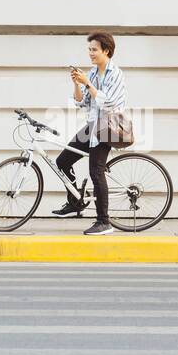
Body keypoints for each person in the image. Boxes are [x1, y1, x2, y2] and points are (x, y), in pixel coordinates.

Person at [53, 31, 128, 236]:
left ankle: (104, 222)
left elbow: (109, 102)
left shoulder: (116, 74)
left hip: (109, 127)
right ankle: (75, 202)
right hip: (93, 126)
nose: (91, 53)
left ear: (106, 50)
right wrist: (77, 84)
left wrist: (87, 83)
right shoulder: (93, 73)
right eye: (89, 50)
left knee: (96, 171)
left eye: (94, 49)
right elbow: (82, 102)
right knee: (62, 162)